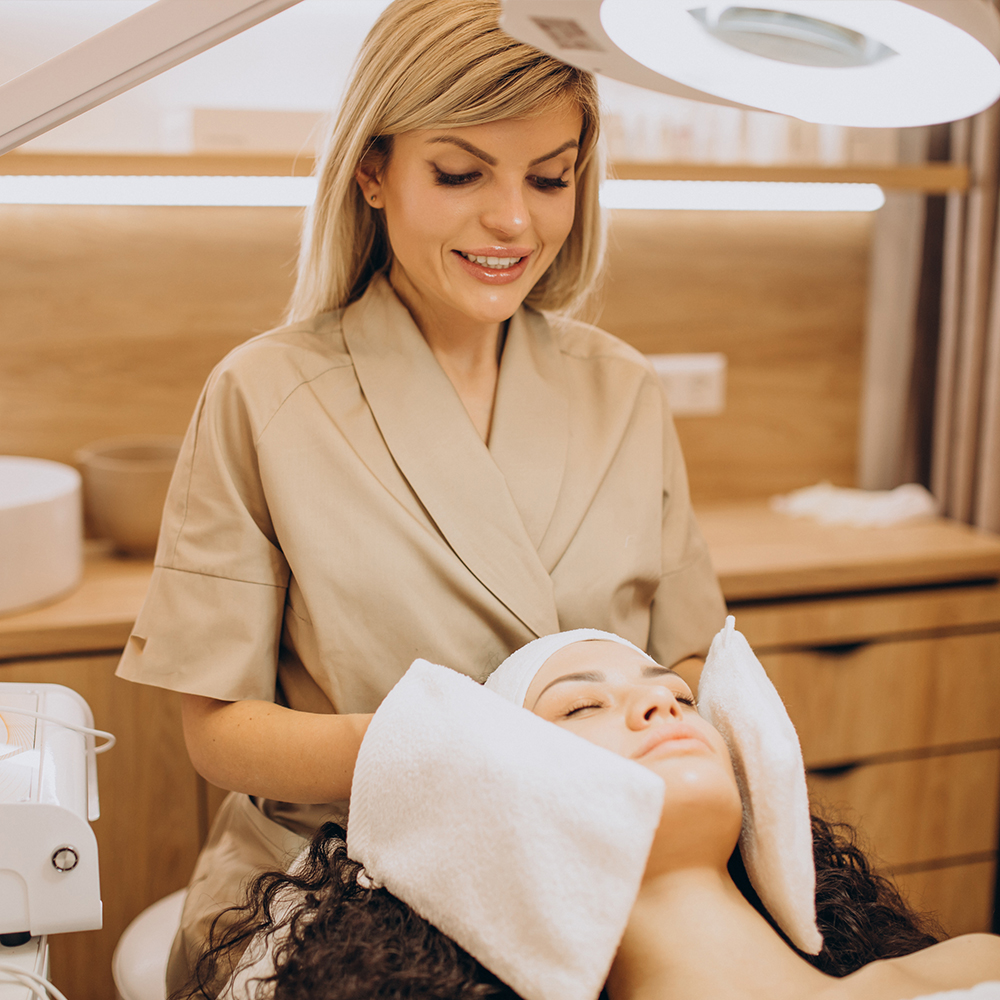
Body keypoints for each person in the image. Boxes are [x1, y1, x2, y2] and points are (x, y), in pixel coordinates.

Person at [115, 0, 726, 992]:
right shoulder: (264, 394)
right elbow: (219, 730)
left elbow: (689, 653)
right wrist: (452, 752)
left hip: (587, 868)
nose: (513, 220)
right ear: (373, 171)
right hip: (342, 891)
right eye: (460, 173)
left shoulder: (622, 389)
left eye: (549, 178)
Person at [185, 636, 1000, 1000]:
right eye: (581, 707)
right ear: (497, 807)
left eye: (680, 695)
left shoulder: (969, 964)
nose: (662, 703)